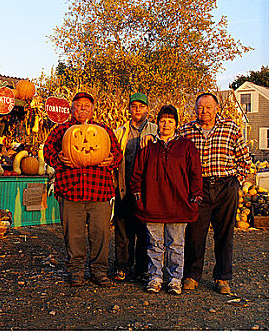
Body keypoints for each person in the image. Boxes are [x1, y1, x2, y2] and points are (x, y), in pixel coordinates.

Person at [44, 92, 123, 287]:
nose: (82, 108)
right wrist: (58, 160)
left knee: (101, 234)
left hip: (100, 192)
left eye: (86, 105)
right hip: (71, 190)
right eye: (78, 105)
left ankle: (99, 271)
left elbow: (118, 154)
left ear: (92, 109)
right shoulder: (61, 130)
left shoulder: (103, 130)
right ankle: (76, 271)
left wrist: (112, 159)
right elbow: (47, 152)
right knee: (73, 235)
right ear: (71, 109)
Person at [179, 93, 251, 294]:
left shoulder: (230, 128)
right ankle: (192, 275)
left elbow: (244, 159)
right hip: (198, 187)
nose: (204, 111)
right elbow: (172, 148)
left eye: (208, 107)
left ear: (217, 108)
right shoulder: (185, 131)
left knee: (224, 234)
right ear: (195, 109)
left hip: (225, 186)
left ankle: (222, 277)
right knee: (194, 233)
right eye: (200, 107)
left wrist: (236, 181)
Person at [130, 105, 203, 295]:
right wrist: (139, 198)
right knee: (155, 244)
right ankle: (155, 277)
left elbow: (195, 174)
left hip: (178, 204)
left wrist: (195, 199)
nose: (166, 124)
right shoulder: (148, 147)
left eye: (170, 121)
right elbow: (137, 175)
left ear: (176, 124)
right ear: (158, 123)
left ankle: (174, 278)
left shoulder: (186, 146)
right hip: (153, 204)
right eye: (163, 121)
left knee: (176, 245)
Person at [112, 92, 157, 282]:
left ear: (147, 108)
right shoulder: (120, 132)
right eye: (133, 106)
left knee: (144, 231)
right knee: (123, 231)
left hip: (147, 190)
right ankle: (123, 267)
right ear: (129, 109)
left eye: (141, 106)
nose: (137, 110)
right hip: (124, 187)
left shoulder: (156, 130)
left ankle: (141, 269)